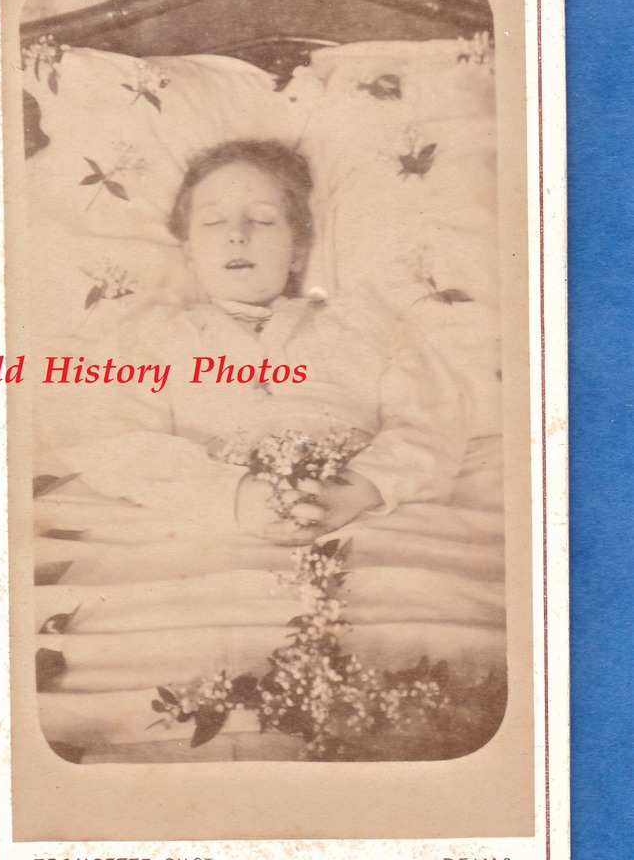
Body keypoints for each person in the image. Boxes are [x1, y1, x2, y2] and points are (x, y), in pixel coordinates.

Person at [54, 139, 467, 551]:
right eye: (214, 222)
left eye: (264, 220)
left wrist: (356, 490)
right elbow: (109, 437)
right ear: (190, 254)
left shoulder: (361, 323)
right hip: (215, 530)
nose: (237, 235)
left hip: (365, 520)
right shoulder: (158, 337)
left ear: (298, 252)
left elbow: (431, 422)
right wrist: (234, 497)